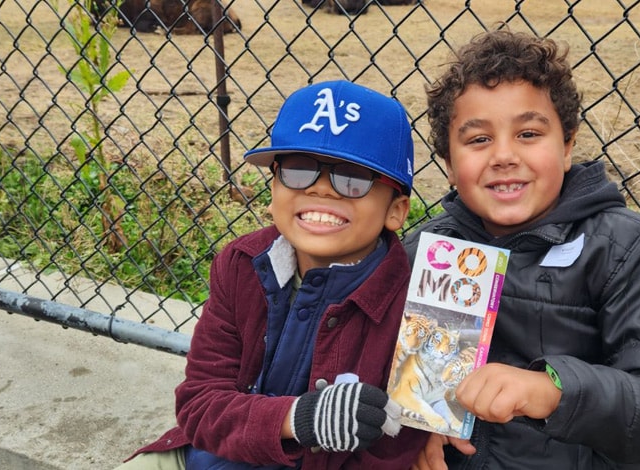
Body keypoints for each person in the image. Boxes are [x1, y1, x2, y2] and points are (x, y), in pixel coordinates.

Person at [406, 29, 640, 470]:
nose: (503, 155)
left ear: (568, 144)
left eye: (529, 133)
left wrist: (556, 392)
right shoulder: (427, 250)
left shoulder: (627, 250)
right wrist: (410, 429)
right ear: (448, 164)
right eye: (478, 140)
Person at [115, 80, 429, 470]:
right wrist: (296, 418)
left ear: (396, 211)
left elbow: (397, 452)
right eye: (298, 169)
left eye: (353, 178)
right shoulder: (241, 264)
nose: (321, 190)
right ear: (273, 187)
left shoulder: (418, 306)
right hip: (217, 456)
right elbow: (199, 405)